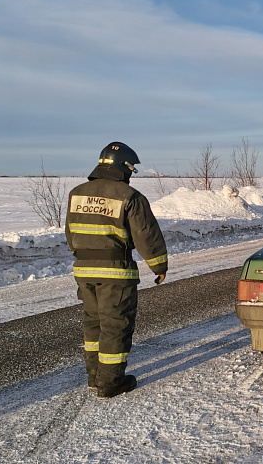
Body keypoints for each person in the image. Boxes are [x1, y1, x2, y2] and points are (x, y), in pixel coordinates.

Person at [65, 142, 168, 399]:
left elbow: (70, 234)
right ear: (123, 167)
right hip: (115, 272)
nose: (131, 174)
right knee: (115, 325)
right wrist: (159, 266)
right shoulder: (130, 197)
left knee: (93, 323)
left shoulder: (77, 193)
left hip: (84, 271)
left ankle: (95, 376)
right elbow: (146, 236)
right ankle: (110, 382)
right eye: (131, 169)